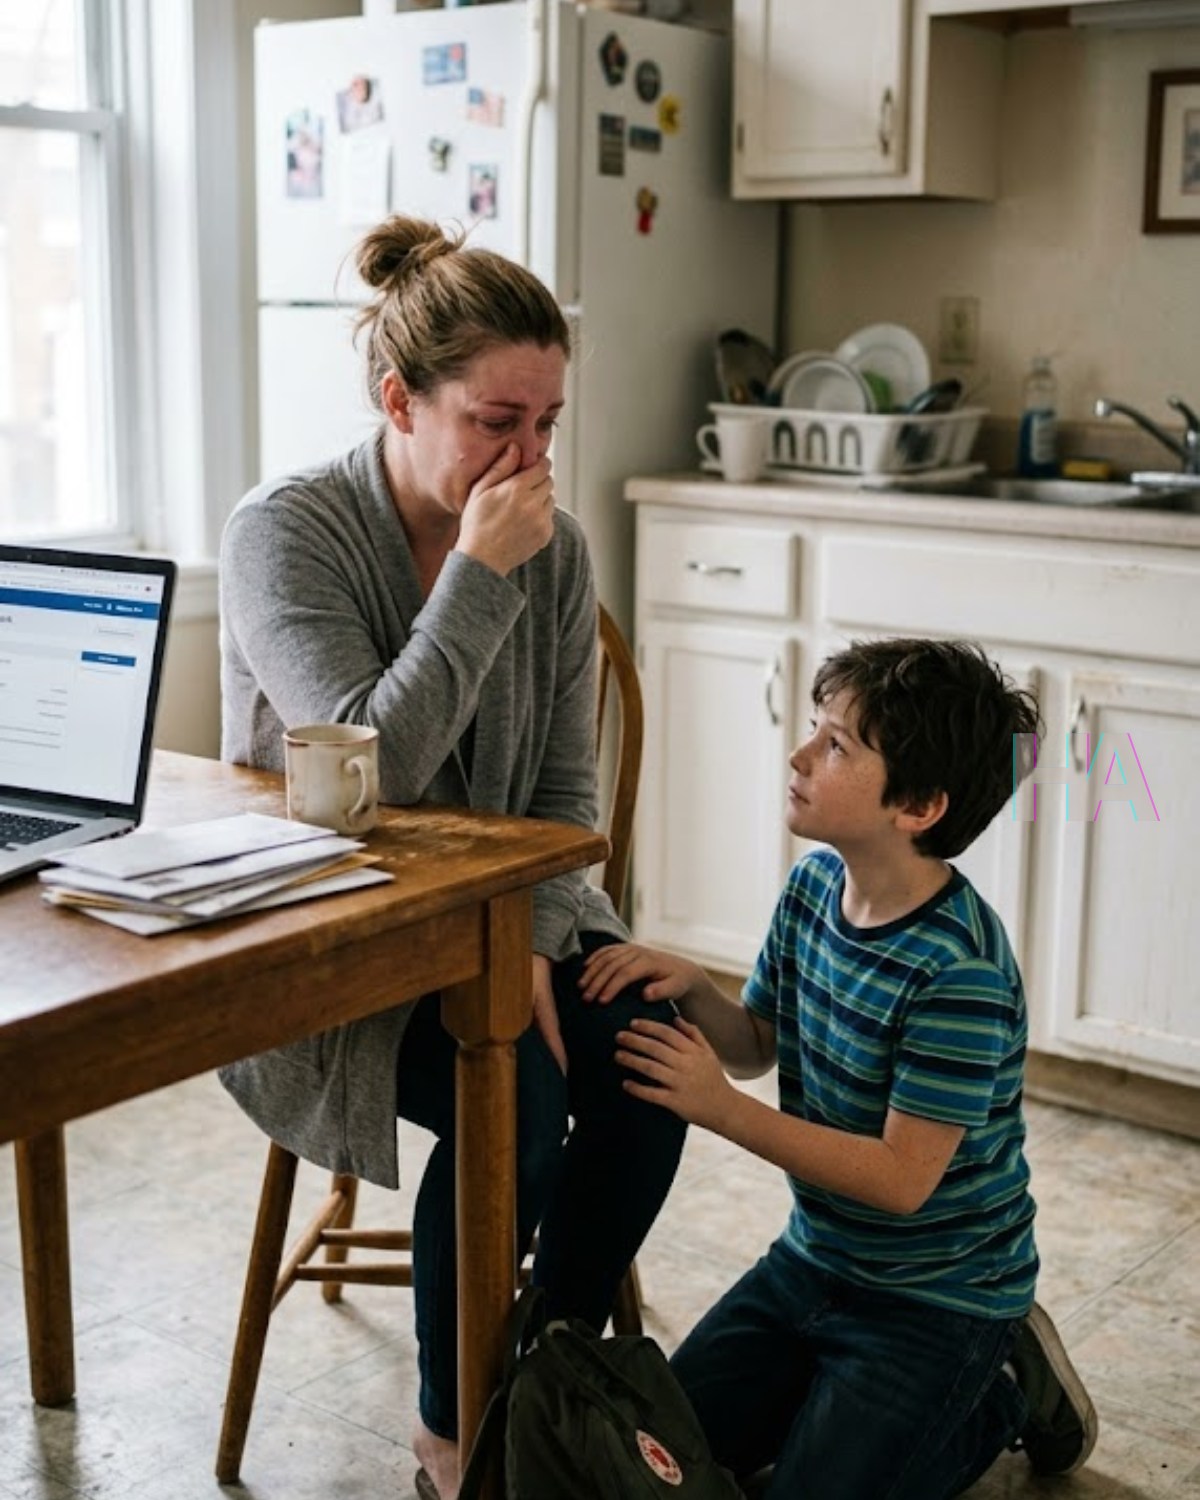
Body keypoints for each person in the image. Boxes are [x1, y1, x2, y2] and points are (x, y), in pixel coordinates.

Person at [218, 214, 686, 1500]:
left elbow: (564, 794)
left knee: (653, 1069)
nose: (530, 458)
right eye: (496, 422)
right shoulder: (286, 534)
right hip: (335, 937)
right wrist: (475, 573)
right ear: (399, 401)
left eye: (549, 423)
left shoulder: (558, 550)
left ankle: (543, 1380)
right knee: (514, 1101)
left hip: (511, 913)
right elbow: (370, 782)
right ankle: (454, 1433)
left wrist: (527, 945)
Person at [580, 638, 1100, 1499]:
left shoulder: (958, 973)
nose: (799, 755)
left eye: (835, 745)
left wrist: (721, 1111)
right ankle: (835, 1402)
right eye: (815, 730)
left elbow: (900, 1180)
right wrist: (695, 989)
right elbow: (756, 1043)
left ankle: (1002, 1388)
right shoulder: (813, 889)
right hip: (813, 1264)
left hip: (939, 1302)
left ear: (919, 806)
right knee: (655, 1461)